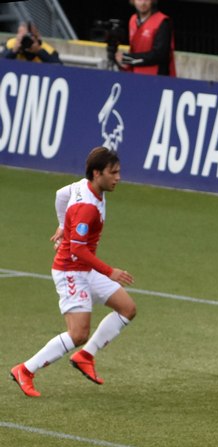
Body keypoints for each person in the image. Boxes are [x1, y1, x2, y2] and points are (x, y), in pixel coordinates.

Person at [10, 147, 136, 398]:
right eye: (113, 173)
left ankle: (86, 356)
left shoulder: (83, 186)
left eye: (119, 172)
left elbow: (60, 194)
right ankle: (25, 370)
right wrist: (109, 271)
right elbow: (77, 250)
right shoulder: (87, 208)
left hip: (85, 267)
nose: (118, 178)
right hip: (71, 270)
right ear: (97, 173)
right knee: (78, 333)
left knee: (127, 308)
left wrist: (61, 224)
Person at [115, 0, 176, 76]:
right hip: (135, 73)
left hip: (156, 75)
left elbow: (160, 55)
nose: (143, 3)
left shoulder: (163, 21)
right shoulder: (132, 20)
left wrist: (129, 58)